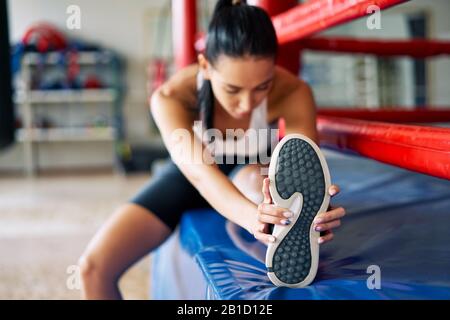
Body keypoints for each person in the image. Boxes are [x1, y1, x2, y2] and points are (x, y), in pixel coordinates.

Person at [78, 0, 346, 299]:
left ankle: (286, 219)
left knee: (261, 184)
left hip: (252, 173)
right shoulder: (171, 97)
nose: (247, 104)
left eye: (262, 87)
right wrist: (252, 218)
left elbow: (303, 167)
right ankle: (278, 216)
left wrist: (313, 210)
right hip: (190, 174)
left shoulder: (293, 91)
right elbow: (201, 175)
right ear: (205, 66)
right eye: (233, 89)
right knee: (92, 268)